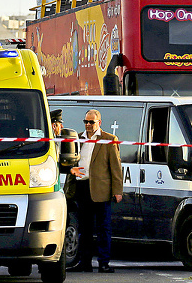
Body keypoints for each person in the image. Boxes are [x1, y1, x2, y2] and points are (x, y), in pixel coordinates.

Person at [64, 109, 122, 273]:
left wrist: (117, 190)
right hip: (82, 188)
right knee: (84, 229)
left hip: (101, 190)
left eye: (91, 122)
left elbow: (116, 167)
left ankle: (104, 263)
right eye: (86, 122)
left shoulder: (109, 139)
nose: (88, 125)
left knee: (104, 229)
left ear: (99, 123)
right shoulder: (78, 139)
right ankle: (85, 262)